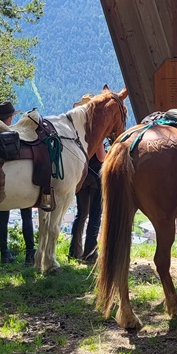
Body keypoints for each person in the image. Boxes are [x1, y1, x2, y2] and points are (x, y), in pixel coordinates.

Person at [0, 101, 36, 265]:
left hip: (3, 183)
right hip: (20, 182)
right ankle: (30, 253)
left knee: (2, 216)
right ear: (11, 117)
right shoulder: (17, 135)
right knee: (26, 215)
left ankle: (4, 253)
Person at [69, 95, 106, 263]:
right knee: (95, 214)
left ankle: (74, 250)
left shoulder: (77, 129)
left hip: (81, 176)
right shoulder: (95, 130)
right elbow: (101, 156)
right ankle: (90, 253)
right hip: (96, 177)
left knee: (81, 214)